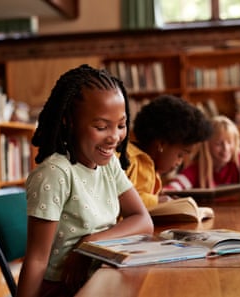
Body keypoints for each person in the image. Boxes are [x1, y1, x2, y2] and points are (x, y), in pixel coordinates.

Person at [16, 64, 154, 297]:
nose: (114, 137)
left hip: (103, 276)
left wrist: (90, 245)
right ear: (69, 121)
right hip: (65, 289)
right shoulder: (55, 174)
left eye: (121, 125)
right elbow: (37, 261)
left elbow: (143, 220)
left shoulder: (109, 165)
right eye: (101, 127)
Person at [125, 94, 212, 208]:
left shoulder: (153, 169)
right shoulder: (126, 159)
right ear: (162, 144)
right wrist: (156, 201)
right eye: (180, 155)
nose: (179, 162)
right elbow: (116, 198)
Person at [164, 115, 240, 202]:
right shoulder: (198, 166)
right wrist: (167, 191)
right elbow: (176, 186)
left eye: (229, 142)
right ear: (207, 145)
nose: (226, 148)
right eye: (219, 144)